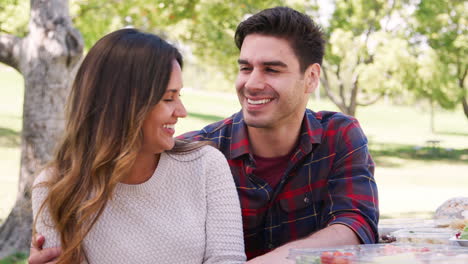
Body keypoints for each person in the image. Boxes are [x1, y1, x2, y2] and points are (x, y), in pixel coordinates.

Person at [29, 6, 379, 264]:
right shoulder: (205, 149)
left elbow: (356, 223)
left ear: (311, 78)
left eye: (272, 69)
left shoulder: (338, 136)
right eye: (245, 67)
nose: (252, 82)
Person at [30, 28, 246, 264]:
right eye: (168, 98)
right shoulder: (56, 187)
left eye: (179, 96)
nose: (181, 112)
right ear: (122, 105)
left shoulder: (205, 166)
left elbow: (228, 259)